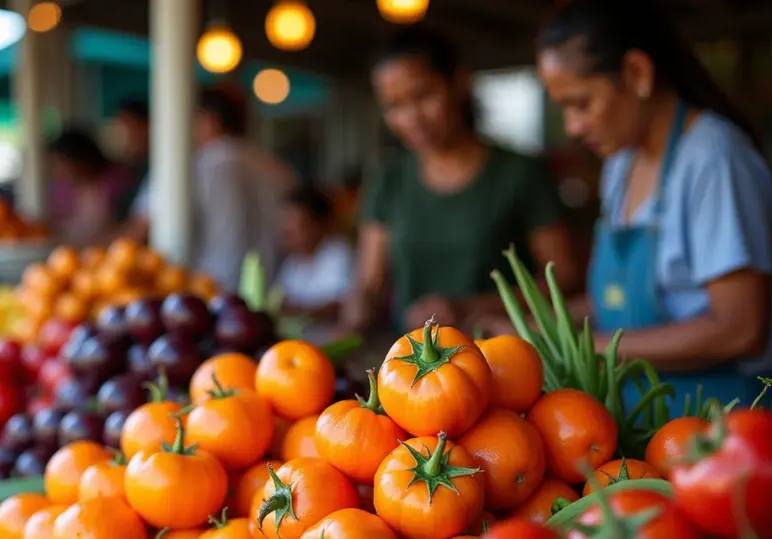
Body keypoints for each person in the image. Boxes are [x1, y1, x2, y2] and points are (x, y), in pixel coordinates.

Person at [526, 0, 772, 411]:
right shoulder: (621, 164)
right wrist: (534, 332)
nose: (571, 127)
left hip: (718, 422)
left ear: (637, 73)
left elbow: (740, 329)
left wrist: (592, 348)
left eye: (582, 104)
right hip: (641, 421)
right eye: (562, 108)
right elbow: (613, 303)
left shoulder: (714, 159)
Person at [343, 27, 578, 335]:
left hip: (499, 359)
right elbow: (370, 283)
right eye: (394, 106)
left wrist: (470, 307)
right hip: (409, 365)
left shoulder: (521, 174)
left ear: (459, 83)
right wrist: (357, 308)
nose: (412, 117)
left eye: (423, 95)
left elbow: (564, 279)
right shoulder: (389, 178)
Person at [128, 86, 296, 290]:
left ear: (209, 121)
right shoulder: (279, 170)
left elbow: (139, 231)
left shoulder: (186, 169)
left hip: (208, 296)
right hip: (271, 295)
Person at [275, 184, 354, 320]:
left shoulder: (338, 254)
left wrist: (294, 311)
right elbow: (281, 299)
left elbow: (339, 306)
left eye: (296, 227)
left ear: (317, 225)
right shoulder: (293, 262)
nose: (288, 234)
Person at [48, 129, 127, 248]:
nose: (60, 171)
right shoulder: (62, 187)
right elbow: (55, 221)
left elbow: (126, 228)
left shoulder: (116, 181)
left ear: (82, 160)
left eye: (64, 164)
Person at [110, 99, 150, 222]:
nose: (123, 135)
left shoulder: (161, 167)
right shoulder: (125, 170)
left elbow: (137, 230)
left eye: (129, 128)